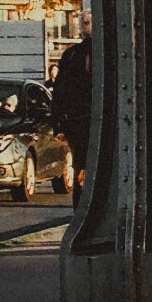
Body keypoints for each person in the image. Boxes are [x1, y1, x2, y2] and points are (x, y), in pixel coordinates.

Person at [50, 14, 93, 195]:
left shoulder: (71, 54)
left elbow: (59, 92)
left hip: (77, 121)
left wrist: (58, 124)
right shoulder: (111, 52)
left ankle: (81, 206)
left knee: (80, 166)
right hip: (90, 119)